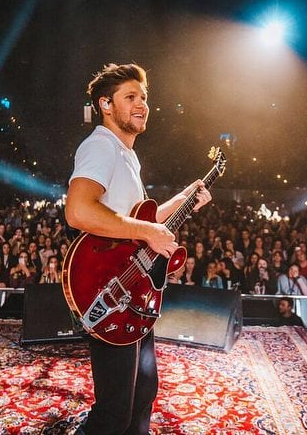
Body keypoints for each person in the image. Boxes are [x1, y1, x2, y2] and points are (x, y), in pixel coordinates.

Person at [64, 63, 211, 434]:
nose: (142, 104)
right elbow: (78, 211)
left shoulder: (127, 154)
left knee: (143, 392)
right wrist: (149, 230)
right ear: (105, 105)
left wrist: (183, 199)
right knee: (113, 412)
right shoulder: (101, 146)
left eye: (143, 97)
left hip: (132, 289)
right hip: (109, 289)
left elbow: (139, 221)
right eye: (130, 97)